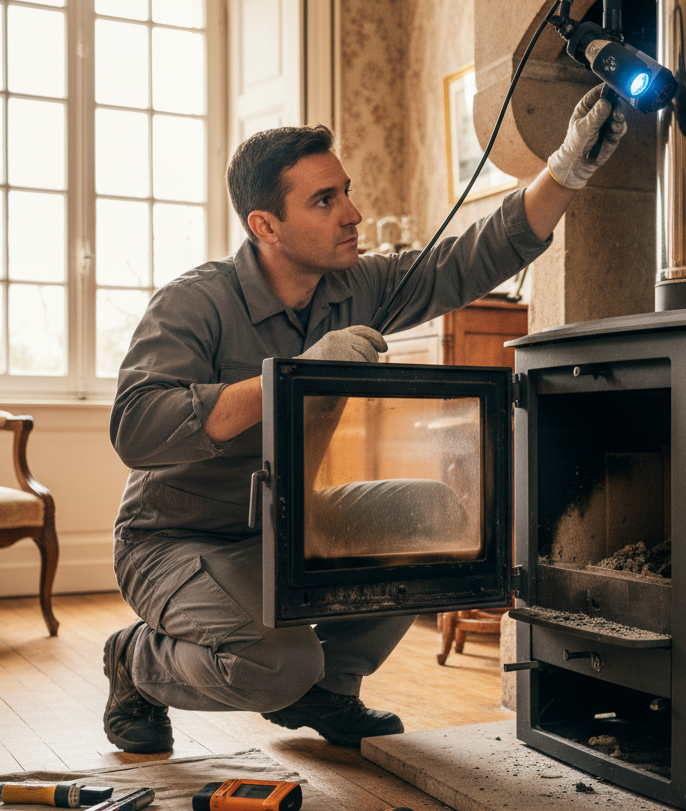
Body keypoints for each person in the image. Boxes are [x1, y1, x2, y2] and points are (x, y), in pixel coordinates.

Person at [103, 86, 627, 754]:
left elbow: (469, 259)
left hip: (289, 519)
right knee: (278, 664)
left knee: (437, 516)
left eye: (345, 191)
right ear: (266, 225)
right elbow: (136, 428)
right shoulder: (195, 303)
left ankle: (330, 690)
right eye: (325, 201)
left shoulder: (355, 286)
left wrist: (567, 168)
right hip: (175, 539)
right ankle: (136, 662)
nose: (352, 212)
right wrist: (285, 377)